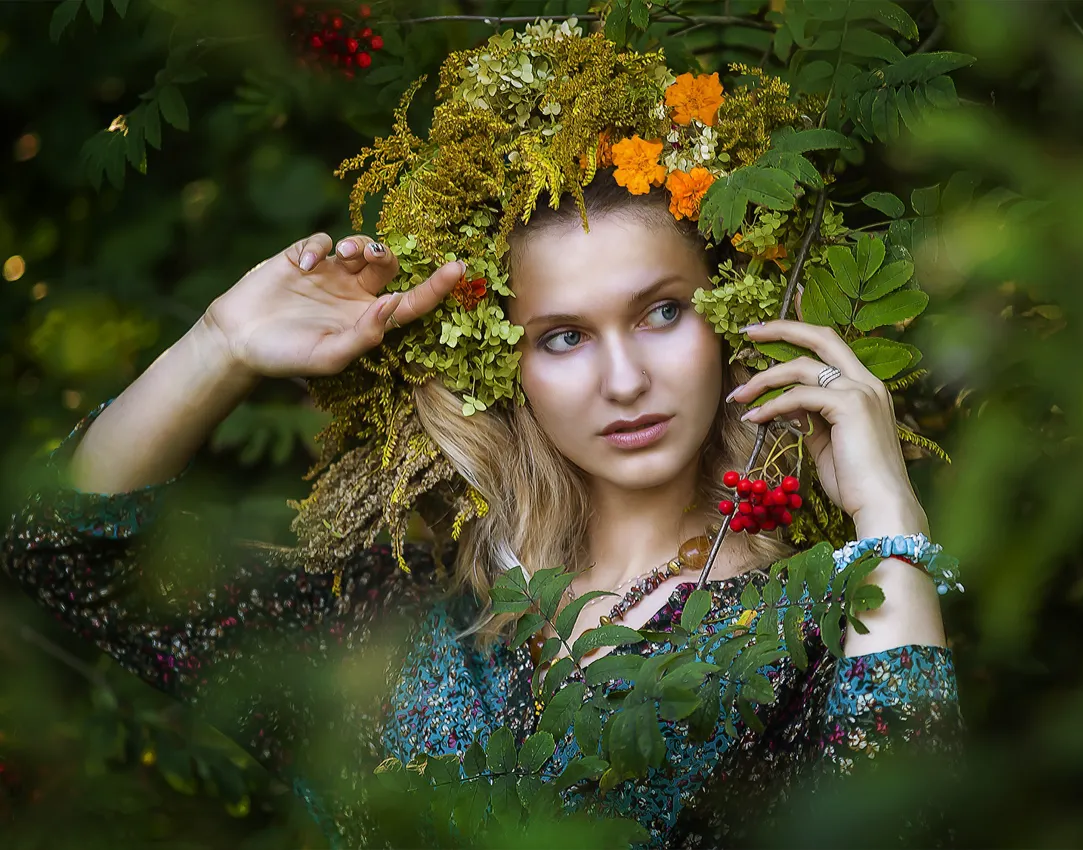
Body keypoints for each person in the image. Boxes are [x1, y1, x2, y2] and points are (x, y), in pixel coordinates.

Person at [3, 24, 964, 850]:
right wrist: (222, 345)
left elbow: (905, 818)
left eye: (662, 313)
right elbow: (66, 549)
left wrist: (887, 523)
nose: (624, 378)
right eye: (563, 337)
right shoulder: (405, 621)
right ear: (502, 364)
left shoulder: (811, 625)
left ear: (731, 312)